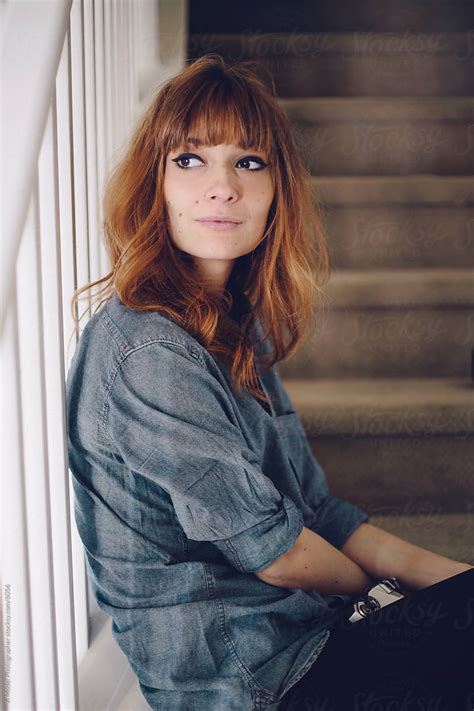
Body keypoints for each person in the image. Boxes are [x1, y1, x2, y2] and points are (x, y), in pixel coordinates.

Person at [66, 55, 473, 711]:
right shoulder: (147, 348)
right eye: (190, 160)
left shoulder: (231, 326)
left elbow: (320, 512)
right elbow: (277, 552)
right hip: (251, 680)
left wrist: (453, 580)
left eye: (248, 162)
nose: (222, 186)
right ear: (155, 185)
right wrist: (379, 588)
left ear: (276, 187)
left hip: (307, 638)